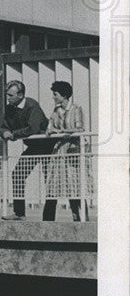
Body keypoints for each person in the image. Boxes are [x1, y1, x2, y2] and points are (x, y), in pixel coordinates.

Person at [0, 81, 51, 220]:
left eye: (10, 95)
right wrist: (4, 132)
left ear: (21, 95)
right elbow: (4, 126)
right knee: (18, 174)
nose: (8, 98)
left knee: (50, 180)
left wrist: (14, 134)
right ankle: (19, 213)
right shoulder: (10, 108)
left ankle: (48, 218)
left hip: (48, 146)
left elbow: (32, 128)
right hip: (34, 147)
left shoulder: (32, 105)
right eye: (7, 95)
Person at [43, 81, 86, 221]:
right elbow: (50, 127)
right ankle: (48, 221)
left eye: (55, 94)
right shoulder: (56, 111)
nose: (53, 97)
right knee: (53, 184)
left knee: (74, 185)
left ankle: (80, 218)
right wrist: (51, 130)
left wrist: (62, 131)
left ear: (64, 95)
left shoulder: (76, 108)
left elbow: (80, 129)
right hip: (59, 151)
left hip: (72, 150)